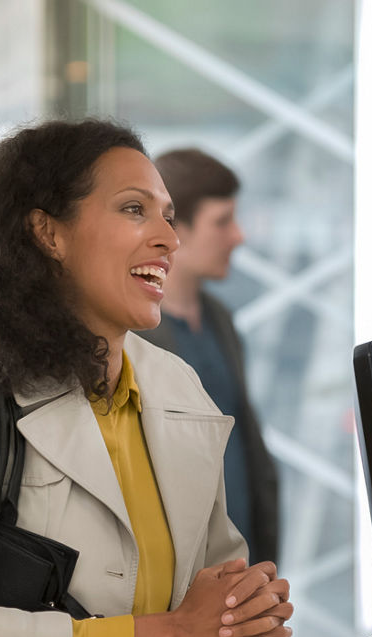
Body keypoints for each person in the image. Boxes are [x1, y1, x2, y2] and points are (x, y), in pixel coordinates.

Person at [0, 119, 293, 637]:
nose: (168, 239)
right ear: (49, 234)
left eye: (168, 216)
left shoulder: (178, 386)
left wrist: (241, 628)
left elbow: (212, 609)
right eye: (132, 209)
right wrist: (172, 632)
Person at [137, 148, 279, 563]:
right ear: (174, 229)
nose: (239, 236)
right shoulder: (132, 337)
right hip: (181, 573)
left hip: (243, 563)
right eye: (222, 221)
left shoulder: (221, 320)